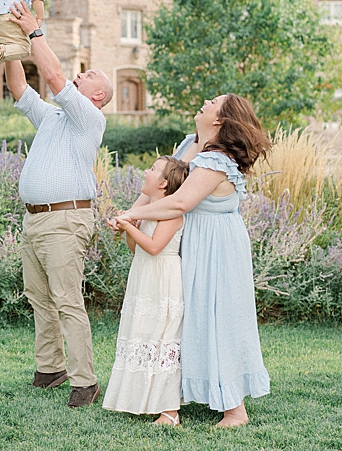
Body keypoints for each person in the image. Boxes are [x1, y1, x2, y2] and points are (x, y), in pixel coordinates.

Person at [115, 95, 271, 428]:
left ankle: (235, 409)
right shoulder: (193, 145)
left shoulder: (216, 161)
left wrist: (132, 215)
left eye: (213, 102)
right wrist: (131, 214)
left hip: (217, 246)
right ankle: (181, 394)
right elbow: (165, 187)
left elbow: (180, 202)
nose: (204, 101)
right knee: (189, 320)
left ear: (220, 120)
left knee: (217, 317)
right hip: (193, 240)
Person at [4, 0, 113, 408]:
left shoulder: (90, 119)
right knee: (40, 298)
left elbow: (52, 76)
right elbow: (20, 88)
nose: (81, 74)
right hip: (35, 221)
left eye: (89, 75)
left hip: (67, 219)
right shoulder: (52, 118)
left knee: (67, 299)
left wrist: (35, 32)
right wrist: (12, 46)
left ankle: (85, 381)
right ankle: (50, 369)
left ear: (97, 95)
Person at [103, 155, 189, 426]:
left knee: (163, 338)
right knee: (142, 334)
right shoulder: (149, 208)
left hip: (163, 279)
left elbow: (154, 247)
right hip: (143, 276)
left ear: (163, 183)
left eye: (152, 169)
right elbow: (137, 248)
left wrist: (129, 223)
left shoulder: (172, 213)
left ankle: (170, 411)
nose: (145, 172)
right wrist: (129, 228)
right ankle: (143, 398)